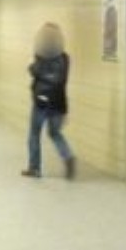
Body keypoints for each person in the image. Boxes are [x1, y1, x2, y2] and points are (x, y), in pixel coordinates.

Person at [22, 23, 76, 180]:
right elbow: (61, 80)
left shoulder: (40, 60)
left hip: (41, 103)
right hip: (59, 103)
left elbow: (32, 70)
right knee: (55, 133)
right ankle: (68, 156)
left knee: (34, 134)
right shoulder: (65, 59)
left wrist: (36, 60)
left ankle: (34, 168)